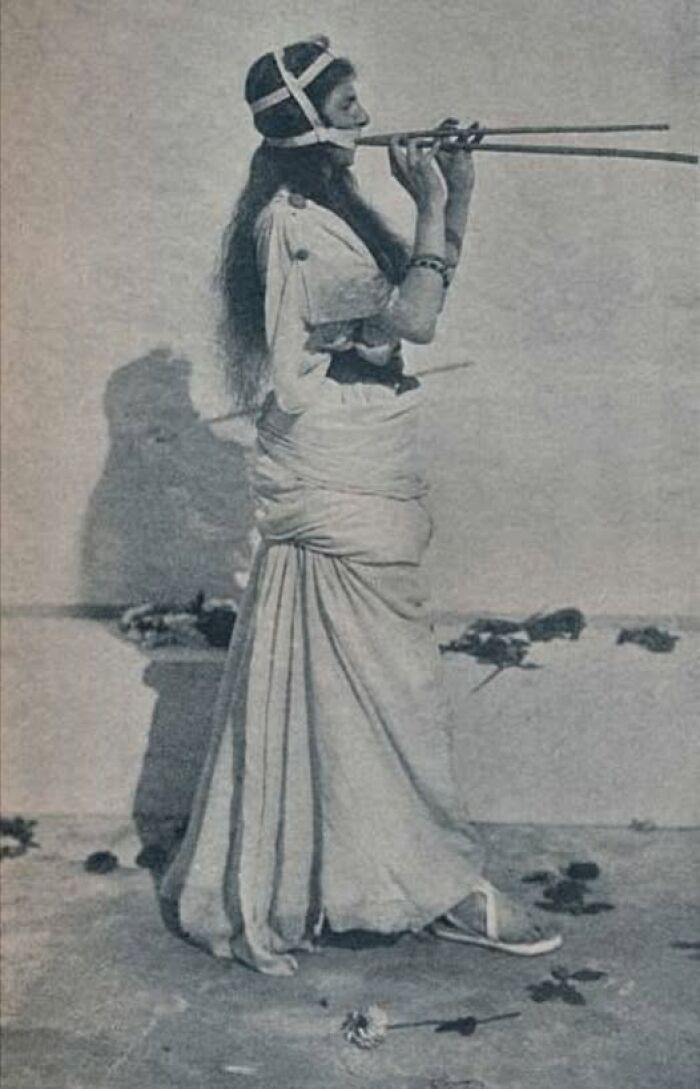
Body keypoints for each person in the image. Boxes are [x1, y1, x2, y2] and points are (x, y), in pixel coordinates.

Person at [160, 35, 562, 976]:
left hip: (358, 465)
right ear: (309, 116)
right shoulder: (298, 221)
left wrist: (454, 195)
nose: (362, 106)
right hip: (337, 476)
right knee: (401, 691)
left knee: (372, 688)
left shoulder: (325, 208)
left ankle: (368, 874)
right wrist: (427, 203)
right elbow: (412, 319)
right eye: (345, 97)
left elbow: (419, 294)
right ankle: (439, 883)